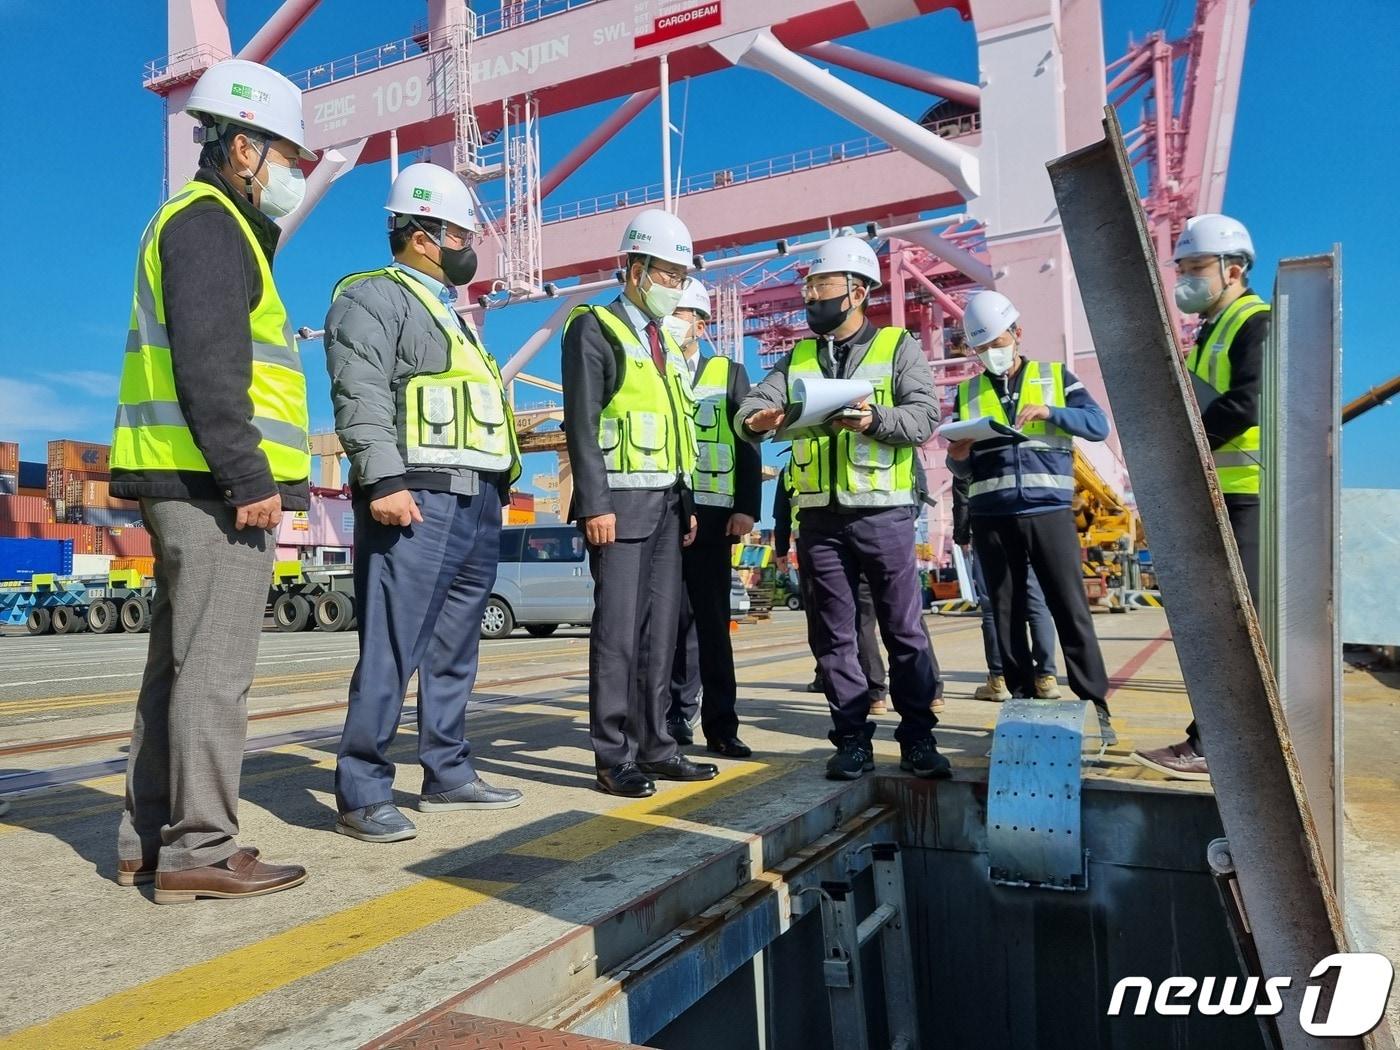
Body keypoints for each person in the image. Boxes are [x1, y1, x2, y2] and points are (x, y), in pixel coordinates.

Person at [109, 59, 313, 903]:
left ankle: (146, 840)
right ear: (240, 150)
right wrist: (247, 474)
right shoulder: (209, 226)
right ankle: (202, 845)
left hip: (187, 483)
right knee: (214, 672)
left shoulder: (201, 223)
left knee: (177, 668)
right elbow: (211, 367)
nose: (294, 174)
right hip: (212, 487)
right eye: (286, 156)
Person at [323, 162, 524, 842]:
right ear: (423, 236)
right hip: (418, 497)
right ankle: (362, 789)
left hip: (475, 500)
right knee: (391, 648)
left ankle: (448, 772)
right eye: (462, 233)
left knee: (454, 650)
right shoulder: (372, 296)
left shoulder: (450, 312)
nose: (470, 247)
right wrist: (382, 481)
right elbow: (362, 391)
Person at [738, 236, 950, 781]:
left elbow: (924, 417)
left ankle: (918, 738)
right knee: (833, 634)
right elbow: (753, 407)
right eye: (808, 288)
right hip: (820, 519)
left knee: (904, 630)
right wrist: (759, 418)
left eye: (820, 287)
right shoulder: (799, 356)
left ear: (856, 291)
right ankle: (851, 739)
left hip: (885, 515)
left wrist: (875, 420)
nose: (810, 297)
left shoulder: (899, 347)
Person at [562, 209, 719, 798]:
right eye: (667, 273)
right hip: (619, 507)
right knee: (619, 635)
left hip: (668, 505)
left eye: (682, 276)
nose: (674, 285)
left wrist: (688, 499)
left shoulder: (666, 345)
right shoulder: (595, 327)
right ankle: (613, 754)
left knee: (660, 636)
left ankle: (658, 745)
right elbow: (582, 424)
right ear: (632, 268)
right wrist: (594, 504)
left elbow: (677, 428)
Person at [945, 291, 1117, 745]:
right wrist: (959, 456)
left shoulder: (1056, 377)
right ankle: (1021, 703)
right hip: (991, 514)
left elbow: (1099, 424)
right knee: (1004, 613)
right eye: (981, 348)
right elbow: (959, 466)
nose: (990, 354)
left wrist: (1051, 412)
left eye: (996, 342)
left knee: (1069, 608)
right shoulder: (967, 392)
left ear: (1017, 334)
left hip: (1048, 510)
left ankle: (1095, 705)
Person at [1134, 214, 1269, 781]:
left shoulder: (1253, 321)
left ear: (1232, 269)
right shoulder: (1211, 330)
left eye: (1194, 268)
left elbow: (1251, 402)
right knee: (1225, 629)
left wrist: (1186, 446)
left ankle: (1218, 746)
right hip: (1222, 496)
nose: (1184, 279)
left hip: (1248, 495)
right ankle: (1216, 741)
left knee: (1238, 629)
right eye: (1181, 269)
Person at [665, 281, 762, 758]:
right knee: (663, 625)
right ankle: (671, 717)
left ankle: (721, 726)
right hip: (664, 515)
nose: (673, 319)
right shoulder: (652, 364)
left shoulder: (729, 373)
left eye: (682, 313)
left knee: (711, 626)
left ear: (702, 323)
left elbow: (747, 441)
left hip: (714, 517)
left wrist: (747, 506)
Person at [774, 463, 888, 712]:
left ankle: (845, 684)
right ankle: (875, 691)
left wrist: (781, 549)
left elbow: (781, 514)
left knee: (827, 622)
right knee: (864, 622)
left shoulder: (792, 466)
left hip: (817, 546)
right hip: (870, 537)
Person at [952, 475, 1060, 701]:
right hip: (1030, 519)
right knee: (1036, 605)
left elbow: (962, 486)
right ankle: (1046, 678)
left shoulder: (974, 440)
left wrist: (962, 531)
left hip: (988, 525)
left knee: (992, 608)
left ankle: (998, 679)